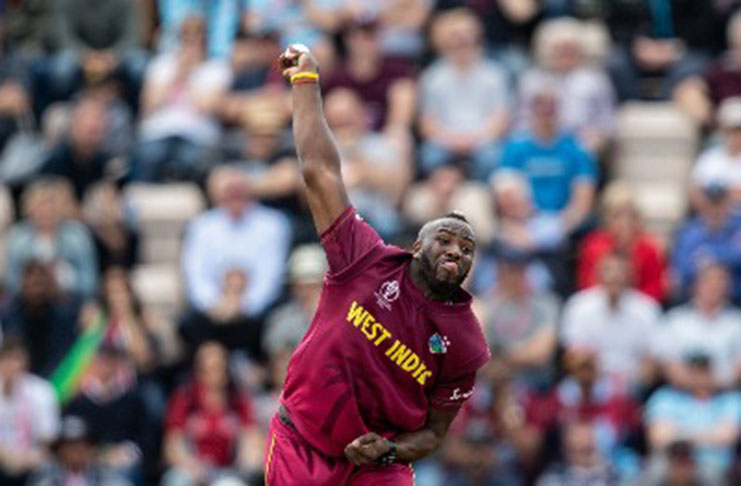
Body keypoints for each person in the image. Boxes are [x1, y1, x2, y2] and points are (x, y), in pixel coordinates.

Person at [264, 45, 490, 485]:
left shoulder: (465, 341)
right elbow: (319, 172)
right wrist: (306, 83)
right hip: (302, 443)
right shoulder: (365, 258)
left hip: (377, 466)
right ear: (416, 246)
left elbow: (433, 434)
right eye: (444, 240)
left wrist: (390, 448)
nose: (456, 252)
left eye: (466, 249)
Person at [418, 8, 510, 181]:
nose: (461, 42)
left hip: (483, 139)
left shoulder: (494, 74)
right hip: (445, 140)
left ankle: (482, 197)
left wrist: (473, 140)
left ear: (476, 39)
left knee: (492, 157)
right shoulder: (433, 77)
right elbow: (428, 123)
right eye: (455, 38)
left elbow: (501, 120)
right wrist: (452, 140)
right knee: (429, 156)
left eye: (465, 37)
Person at [163, 341, 263, 486]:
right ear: (197, 371)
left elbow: (251, 438)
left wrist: (247, 463)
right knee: (177, 480)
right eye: (207, 369)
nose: (213, 375)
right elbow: (173, 444)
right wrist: (191, 466)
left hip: (228, 471)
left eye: (219, 368)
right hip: (192, 469)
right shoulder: (185, 399)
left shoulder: (238, 401)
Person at [561, 253, 661, 390]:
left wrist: (624, 385)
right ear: (597, 274)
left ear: (631, 276)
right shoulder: (579, 305)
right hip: (589, 382)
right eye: (608, 270)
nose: (614, 277)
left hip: (633, 386)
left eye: (620, 271)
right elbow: (574, 356)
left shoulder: (647, 309)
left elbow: (651, 361)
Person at [645, 354, 741, 483]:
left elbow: (727, 437)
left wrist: (678, 435)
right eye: (694, 372)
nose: (699, 378)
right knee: (654, 472)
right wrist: (708, 436)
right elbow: (658, 438)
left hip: (709, 461)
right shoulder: (665, 397)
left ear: (712, 373)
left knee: (713, 475)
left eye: (704, 372)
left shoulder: (729, 400)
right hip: (672, 460)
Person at [654, 263, 741, 390]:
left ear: (728, 288)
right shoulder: (675, 319)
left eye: (720, 282)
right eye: (709, 281)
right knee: (659, 407)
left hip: (726, 394)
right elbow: (667, 364)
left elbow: (738, 370)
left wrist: (711, 385)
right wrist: (694, 385)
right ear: (695, 285)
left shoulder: (737, 321)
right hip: (679, 393)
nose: (715, 286)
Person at [577, 181, 667, 302]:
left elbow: (656, 286)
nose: (625, 221)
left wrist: (631, 302)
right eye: (618, 215)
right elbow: (586, 283)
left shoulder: (649, 247)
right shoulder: (593, 246)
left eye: (630, 215)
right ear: (608, 217)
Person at [0, 339, 60, 486]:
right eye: (7, 359)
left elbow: (49, 438)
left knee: (49, 472)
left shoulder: (42, 391)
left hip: (34, 461)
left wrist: (30, 458)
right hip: (3, 458)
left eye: (17, 359)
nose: (13, 365)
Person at [28, 415, 132, 486]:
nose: (76, 452)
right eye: (70, 447)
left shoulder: (104, 474)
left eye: (81, 446)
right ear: (59, 451)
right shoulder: (46, 475)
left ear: (91, 449)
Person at [689, 98, 741, 211]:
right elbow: (695, 192)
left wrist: (724, 196)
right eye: (732, 130)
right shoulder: (709, 157)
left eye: (739, 130)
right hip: (709, 218)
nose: (736, 135)